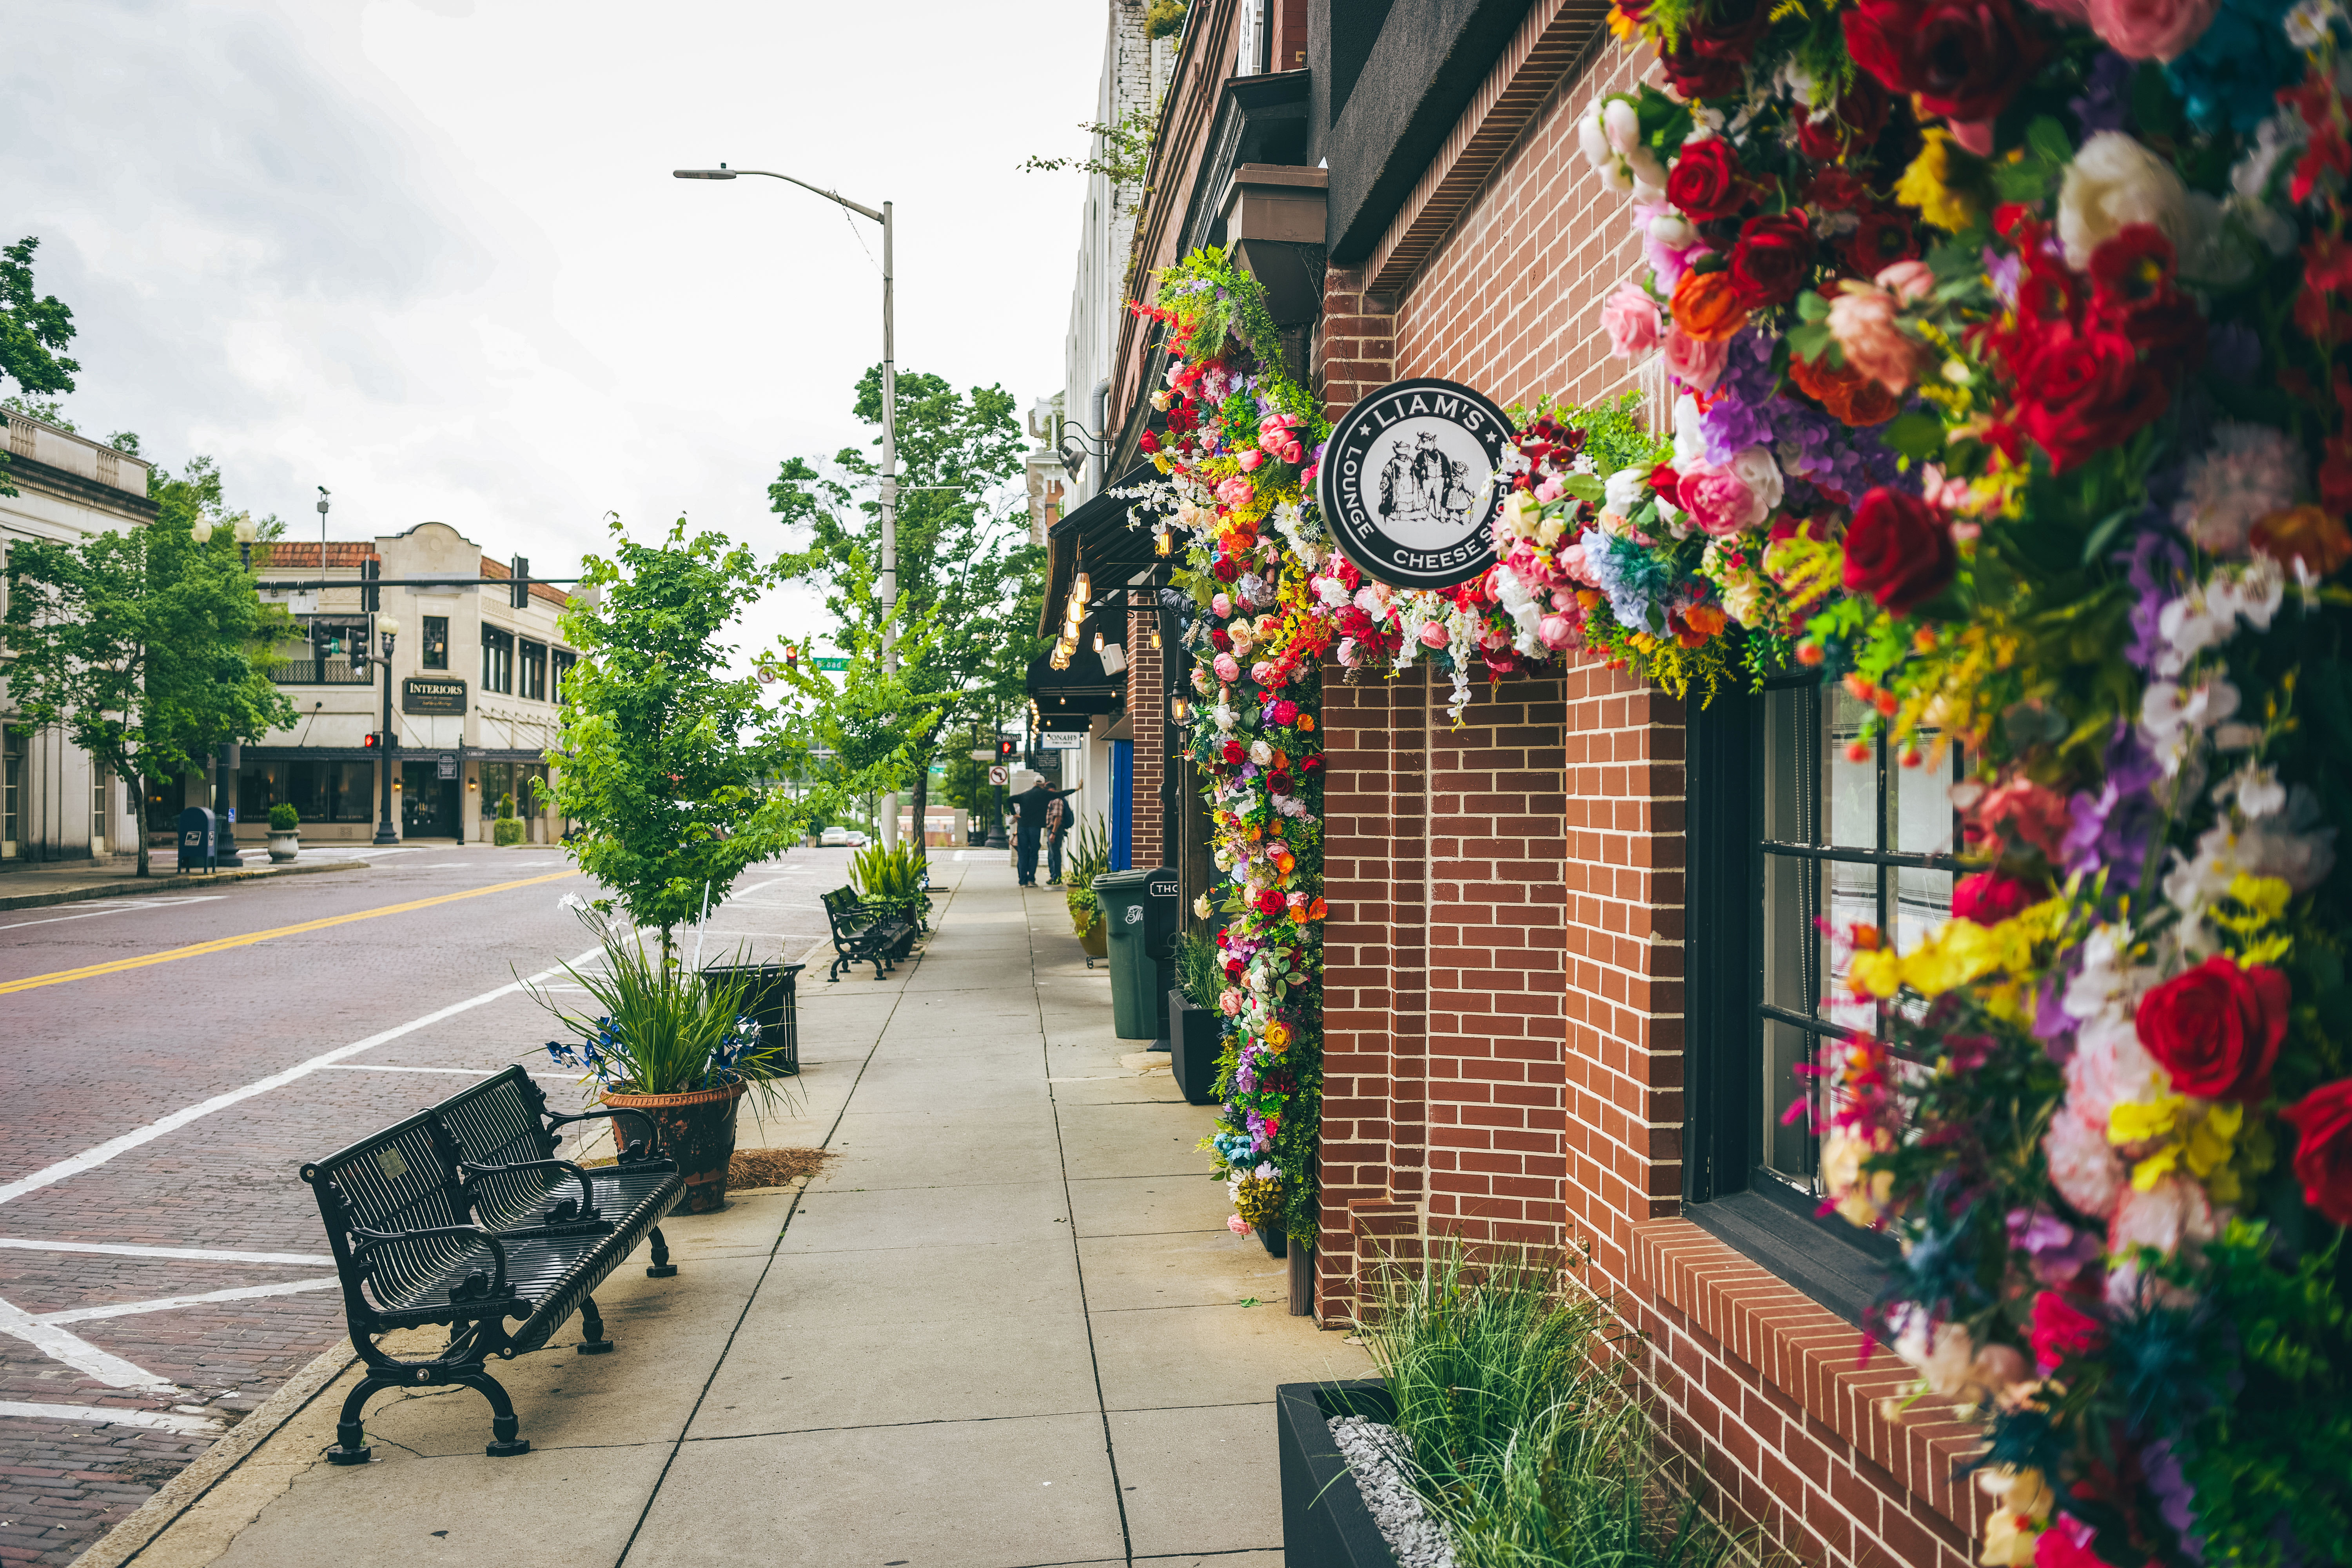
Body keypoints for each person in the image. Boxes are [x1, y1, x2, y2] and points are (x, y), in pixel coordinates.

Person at [1010, 774, 1080, 887]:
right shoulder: (1045, 794)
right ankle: (1031, 879)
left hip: (1023, 827)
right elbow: (1061, 793)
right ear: (1043, 785)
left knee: (1023, 854)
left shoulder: (1025, 794)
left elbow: (1010, 800)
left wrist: (1014, 814)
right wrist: (1076, 789)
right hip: (1035, 828)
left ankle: (1023, 881)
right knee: (1034, 853)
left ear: (1034, 783)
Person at [1045, 792, 1072, 885]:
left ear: (1051, 790)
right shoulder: (1053, 801)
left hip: (1055, 830)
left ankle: (1057, 877)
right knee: (1052, 854)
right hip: (1053, 830)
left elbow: (1058, 817)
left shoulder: (1057, 801)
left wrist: (1053, 833)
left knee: (1055, 854)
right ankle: (1054, 876)